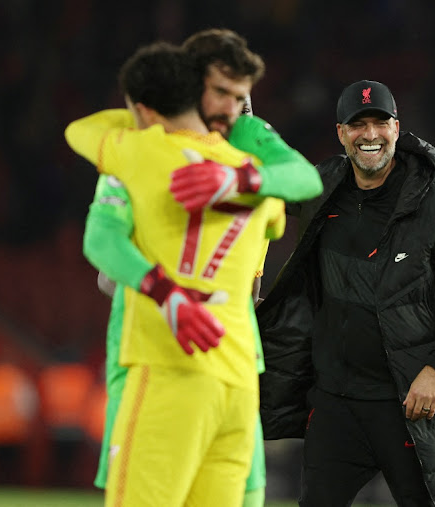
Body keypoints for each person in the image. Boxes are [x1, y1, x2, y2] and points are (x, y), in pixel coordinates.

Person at [88, 28, 321, 507]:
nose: (232, 109)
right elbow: (103, 240)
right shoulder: (140, 147)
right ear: (189, 85)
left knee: (244, 494)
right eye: (221, 92)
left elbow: (304, 178)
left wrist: (241, 177)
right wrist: (160, 289)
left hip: (234, 358)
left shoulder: (247, 141)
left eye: (241, 97)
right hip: (155, 349)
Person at [255, 79, 435, 506]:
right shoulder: (319, 189)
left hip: (408, 407)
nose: (370, 134)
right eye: (357, 125)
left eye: (379, 122)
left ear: (397, 128)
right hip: (334, 403)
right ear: (341, 133)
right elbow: (260, 194)